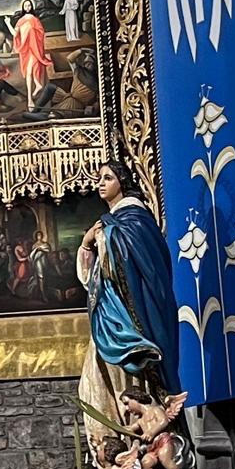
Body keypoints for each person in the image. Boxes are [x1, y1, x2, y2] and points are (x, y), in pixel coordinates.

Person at [77, 160, 182, 429]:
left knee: (131, 377)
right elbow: (91, 275)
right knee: (93, 383)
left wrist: (102, 236)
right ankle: (111, 446)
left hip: (130, 316)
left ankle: (135, 440)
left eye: (108, 178)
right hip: (107, 313)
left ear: (122, 182)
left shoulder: (135, 218)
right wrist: (88, 242)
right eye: (99, 178)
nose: (100, 183)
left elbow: (148, 265)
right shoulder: (111, 222)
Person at [6, 0, 53, 110]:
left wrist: (31, 33)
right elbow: (15, 34)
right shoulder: (20, 20)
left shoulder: (34, 19)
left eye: (29, 5)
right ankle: (37, 86)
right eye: (25, 6)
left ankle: (30, 99)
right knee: (28, 72)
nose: (27, 7)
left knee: (29, 72)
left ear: (31, 7)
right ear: (23, 7)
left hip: (33, 48)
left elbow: (41, 33)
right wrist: (8, 23)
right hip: (25, 50)